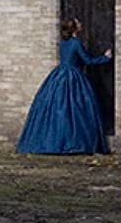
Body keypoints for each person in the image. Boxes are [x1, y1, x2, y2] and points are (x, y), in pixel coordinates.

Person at [17, 19, 113, 155]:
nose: (81, 24)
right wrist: (105, 57)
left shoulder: (63, 43)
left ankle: (54, 141)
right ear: (75, 28)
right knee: (75, 109)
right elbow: (88, 61)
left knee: (58, 109)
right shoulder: (76, 43)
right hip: (73, 76)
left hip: (59, 76)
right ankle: (73, 142)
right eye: (78, 23)